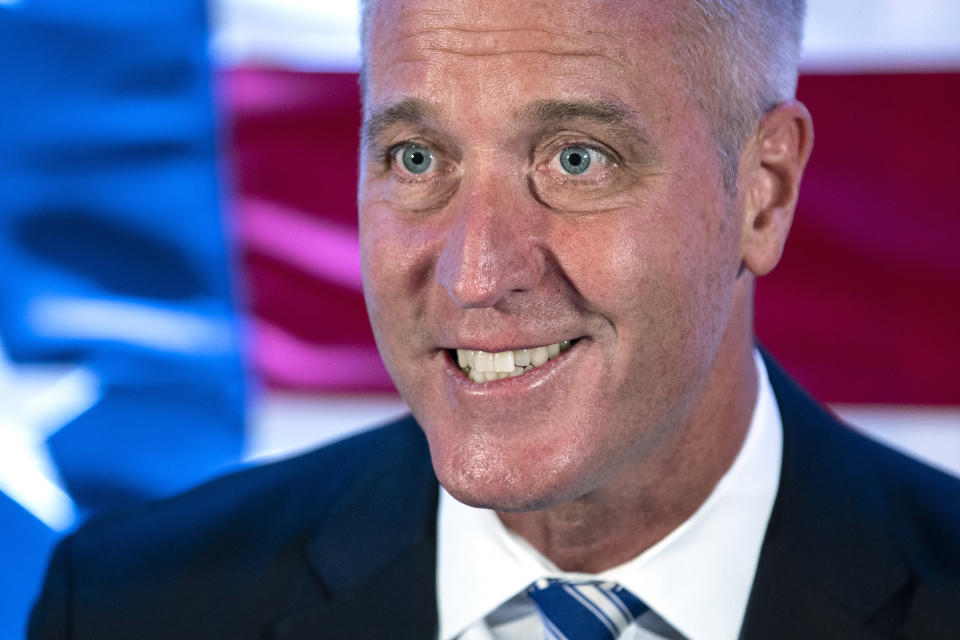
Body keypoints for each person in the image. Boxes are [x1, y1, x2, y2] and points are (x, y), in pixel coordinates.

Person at [29, 0, 960, 638]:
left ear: (764, 193)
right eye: (418, 158)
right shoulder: (130, 606)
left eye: (577, 160)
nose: (475, 274)